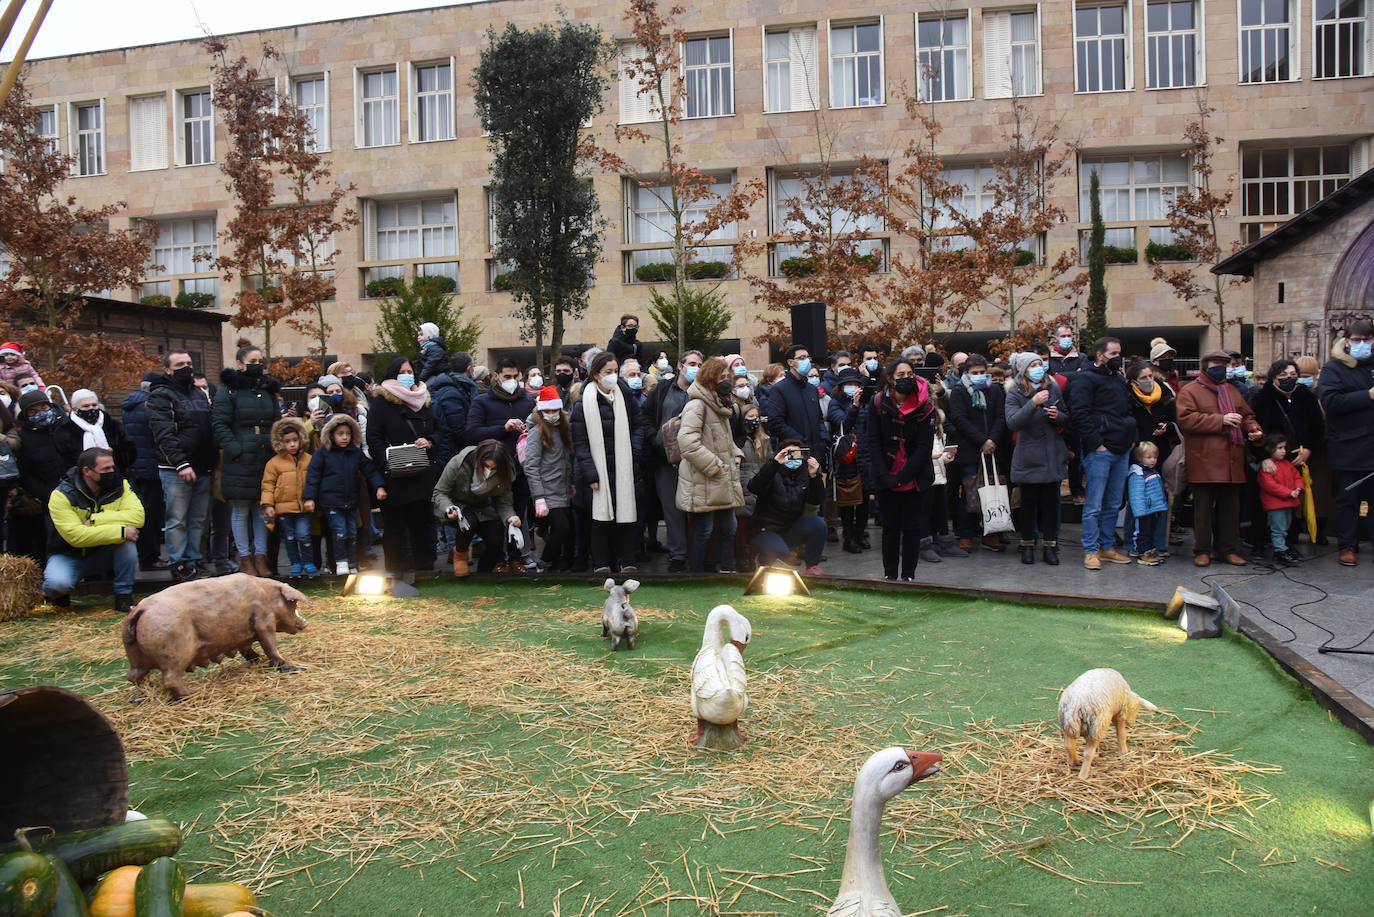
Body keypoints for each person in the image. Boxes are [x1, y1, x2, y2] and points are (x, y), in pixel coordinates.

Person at [1176, 350, 1263, 567]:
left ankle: (1228, 549)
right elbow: (1186, 420)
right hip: (1204, 459)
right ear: (1205, 365)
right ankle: (1202, 550)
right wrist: (1221, 420)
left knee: (1230, 510)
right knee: (1203, 509)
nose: (1221, 367)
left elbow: (1247, 415)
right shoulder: (1191, 391)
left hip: (1232, 459)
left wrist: (1253, 429)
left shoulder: (1232, 391)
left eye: (1226, 363)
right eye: (1216, 362)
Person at [42, 447, 144, 612]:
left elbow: (138, 517)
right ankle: (61, 595)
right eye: (105, 469)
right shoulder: (61, 495)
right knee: (56, 585)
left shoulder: (121, 485)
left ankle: (123, 595)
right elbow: (76, 537)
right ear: (87, 471)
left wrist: (95, 520)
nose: (111, 472)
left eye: (112, 467)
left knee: (127, 544)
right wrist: (120, 531)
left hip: (104, 552)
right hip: (69, 554)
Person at [571, 351, 644, 574]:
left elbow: (638, 425)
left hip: (624, 468)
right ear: (595, 375)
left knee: (626, 516)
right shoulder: (583, 403)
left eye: (614, 371)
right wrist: (590, 473)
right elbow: (580, 443)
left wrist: (634, 451)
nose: (613, 376)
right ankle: (601, 563)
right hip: (598, 472)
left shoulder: (625, 396)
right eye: (607, 372)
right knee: (600, 520)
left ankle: (627, 560)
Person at [212, 345, 282, 577]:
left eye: (261, 360)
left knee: (262, 508)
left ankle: (260, 557)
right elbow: (219, 424)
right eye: (253, 360)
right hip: (240, 457)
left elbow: (276, 421)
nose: (258, 365)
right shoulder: (228, 391)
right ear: (240, 363)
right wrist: (235, 449)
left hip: (265, 455)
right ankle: (245, 558)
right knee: (241, 509)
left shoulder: (268, 390)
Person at [864, 356, 936, 581]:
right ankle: (889, 576)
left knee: (912, 528)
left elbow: (925, 447)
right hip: (886, 475)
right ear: (889, 379)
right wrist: (884, 475)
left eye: (909, 374)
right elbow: (872, 440)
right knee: (890, 528)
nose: (906, 379)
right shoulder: (877, 402)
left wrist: (903, 476)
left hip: (914, 477)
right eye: (900, 375)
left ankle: (908, 576)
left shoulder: (925, 406)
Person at [1068, 337, 1136, 570]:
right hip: (1101, 451)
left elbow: (1127, 409)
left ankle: (1107, 547)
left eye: (1119, 352)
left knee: (1113, 503)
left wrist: (1130, 437)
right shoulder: (1084, 379)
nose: (1118, 357)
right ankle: (1091, 550)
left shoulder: (1118, 378)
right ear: (1100, 355)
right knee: (1094, 504)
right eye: (1113, 353)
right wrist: (1097, 443)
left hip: (1121, 448)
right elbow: (1079, 414)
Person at [147, 351, 215, 583]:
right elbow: (163, 434)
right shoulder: (160, 396)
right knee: (177, 519)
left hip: (203, 466)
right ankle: (179, 564)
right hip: (176, 468)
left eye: (188, 363)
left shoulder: (198, 393)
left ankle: (194, 561)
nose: (186, 367)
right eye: (179, 364)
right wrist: (181, 464)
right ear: (167, 369)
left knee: (198, 519)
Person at [366, 357, 437, 580]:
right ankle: (396, 571)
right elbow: (374, 437)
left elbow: (437, 430)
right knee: (395, 526)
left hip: (421, 474)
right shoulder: (381, 403)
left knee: (421, 524)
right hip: (395, 475)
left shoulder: (423, 400)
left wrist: (430, 441)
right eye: (401, 371)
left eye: (410, 371)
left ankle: (423, 569)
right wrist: (387, 459)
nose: (407, 375)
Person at [676, 356, 744, 573]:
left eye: (727, 376)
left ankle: (727, 569)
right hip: (706, 476)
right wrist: (714, 465)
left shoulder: (720, 403)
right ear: (710, 378)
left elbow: (725, 439)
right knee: (704, 530)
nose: (726, 380)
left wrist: (736, 453)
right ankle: (697, 573)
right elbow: (687, 442)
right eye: (721, 376)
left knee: (729, 528)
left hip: (722, 475)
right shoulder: (697, 405)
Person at [1251, 358, 1325, 550]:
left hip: (1298, 459)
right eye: (1283, 376)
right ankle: (1260, 541)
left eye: (1293, 375)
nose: (1288, 379)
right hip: (1270, 459)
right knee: (1265, 502)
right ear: (1273, 378)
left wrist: (1309, 448)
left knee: (1293, 501)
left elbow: (1318, 427)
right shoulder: (1262, 397)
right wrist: (1264, 457)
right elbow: (1253, 430)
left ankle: (1289, 542)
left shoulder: (1306, 395)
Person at [640, 349, 702, 572]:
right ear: (680, 366)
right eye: (692, 363)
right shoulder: (663, 389)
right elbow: (645, 416)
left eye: (699, 364)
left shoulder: (704, 392)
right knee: (672, 509)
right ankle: (678, 555)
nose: (696, 367)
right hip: (665, 460)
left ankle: (698, 554)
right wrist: (654, 438)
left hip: (696, 460)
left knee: (696, 509)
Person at [1005, 352, 1070, 566]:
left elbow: (1065, 416)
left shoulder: (1052, 387)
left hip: (1052, 454)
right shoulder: (1014, 392)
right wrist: (1032, 402)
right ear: (1023, 370)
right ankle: (1028, 544)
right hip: (1029, 457)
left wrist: (1056, 416)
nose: (1038, 368)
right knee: (1028, 504)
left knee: (1051, 504)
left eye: (1040, 364)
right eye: (1033, 365)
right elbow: (1013, 422)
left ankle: (1050, 546)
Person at [1318, 323, 1374, 566]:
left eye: (1368, 339)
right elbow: (1331, 401)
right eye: (1357, 339)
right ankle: (1347, 545)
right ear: (1348, 340)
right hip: (1348, 447)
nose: (1362, 344)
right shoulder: (1334, 368)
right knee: (1347, 501)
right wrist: (1369, 395)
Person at [308, 414, 386, 575]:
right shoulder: (323, 453)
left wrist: (379, 486)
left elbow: (370, 470)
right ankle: (341, 562)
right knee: (339, 532)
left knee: (351, 532)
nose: (344, 437)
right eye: (340, 434)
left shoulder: (355, 453)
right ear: (331, 434)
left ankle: (352, 562)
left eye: (348, 434)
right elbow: (313, 476)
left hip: (351, 501)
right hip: (331, 501)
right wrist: (309, 497)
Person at [433, 439, 522, 575]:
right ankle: (460, 555)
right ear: (478, 460)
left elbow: (505, 502)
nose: (489, 471)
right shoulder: (458, 463)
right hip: (457, 506)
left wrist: (511, 517)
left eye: (494, 468)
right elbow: (440, 492)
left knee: (496, 540)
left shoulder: (505, 471)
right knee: (469, 522)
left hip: (482, 508)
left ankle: (483, 574)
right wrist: (448, 508)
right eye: (486, 466)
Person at [947, 354, 1007, 552]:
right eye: (975, 373)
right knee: (970, 495)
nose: (980, 376)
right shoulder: (959, 391)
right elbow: (959, 418)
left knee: (993, 494)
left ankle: (990, 533)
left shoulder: (995, 391)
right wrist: (981, 441)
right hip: (970, 451)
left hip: (993, 450)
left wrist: (992, 440)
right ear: (967, 373)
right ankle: (966, 533)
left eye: (983, 372)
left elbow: (1000, 416)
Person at [747, 441, 826, 573]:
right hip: (764, 530)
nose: (793, 458)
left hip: (789, 529)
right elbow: (754, 487)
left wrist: (814, 477)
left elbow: (816, 500)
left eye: (797, 454)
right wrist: (774, 464)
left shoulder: (803, 476)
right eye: (789, 454)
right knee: (780, 552)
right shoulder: (772, 473)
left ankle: (812, 566)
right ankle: (764, 560)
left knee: (818, 524)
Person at [10, 389, 66, 561]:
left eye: (42, 407)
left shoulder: (68, 426)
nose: (39, 414)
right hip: (49, 498)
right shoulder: (24, 437)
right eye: (32, 411)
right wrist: (45, 493)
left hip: (79, 493)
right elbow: (24, 473)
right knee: (53, 541)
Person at [523, 386, 574, 572]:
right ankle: (544, 561)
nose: (551, 414)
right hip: (547, 490)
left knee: (562, 529)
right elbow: (531, 465)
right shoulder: (537, 432)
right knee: (562, 528)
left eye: (554, 410)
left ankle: (553, 563)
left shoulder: (563, 429)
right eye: (547, 411)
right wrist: (539, 497)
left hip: (564, 488)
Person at [120, 372, 166, 570]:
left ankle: (145, 555)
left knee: (141, 512)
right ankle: (151, 557)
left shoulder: (130, 406)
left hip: (135, 467)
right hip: (151, 468)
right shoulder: (150, 407)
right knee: (152, 515)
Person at [261, 417, 316, 579]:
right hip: (284, 508)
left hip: (303, 507)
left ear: (301, 440)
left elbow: (314, 481)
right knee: (290, 537)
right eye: (287, 441)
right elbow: (268, 485)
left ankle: (308, 561)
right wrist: (268, 504)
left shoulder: (308, 460)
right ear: (280, 443)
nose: (292, 444)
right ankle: (295, 564)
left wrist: (312, 498)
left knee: (304, 534)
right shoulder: (274, 463)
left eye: (295, 440)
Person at [827, 366, 868, 554]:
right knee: (848, 499)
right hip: (847, 457)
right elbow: (843, 424)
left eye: (855, 384)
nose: (852, 387)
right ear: (841, 387)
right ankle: (849, 538)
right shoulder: (835, 403)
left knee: (864, 499)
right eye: (848, 384)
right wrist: (855, 406)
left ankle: (861, 534)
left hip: (865, 456)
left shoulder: (865, 403)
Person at [765, 345, 828, 465]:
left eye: (807, 357)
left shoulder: (812, 389)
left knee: (815, 481)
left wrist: (823, 439)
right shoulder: (779, 389)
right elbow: (775, 423)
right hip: (794, 451)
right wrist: (799, 440)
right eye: (802, 357)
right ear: (791, 362)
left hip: (815, 451)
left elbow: (819, 418)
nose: (807, 361)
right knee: (797, 481)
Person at [55, 388, 135, 473]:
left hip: (115, 476)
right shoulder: (64, 431)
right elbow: (64, 463)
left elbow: (130, 454)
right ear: (75, 409)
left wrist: (113, 453)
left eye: (94, 405)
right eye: (86, 406)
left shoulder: (113, 426)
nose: (91, 409)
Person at [1257, 433, 1305, 567]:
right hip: (1276, 504)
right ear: (1270, 449)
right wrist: (1289, 492)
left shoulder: (1287, 464)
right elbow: (1270, 485)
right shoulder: (1268, 467)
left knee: (1285, 526)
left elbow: (1297, 477)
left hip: (1287, 502)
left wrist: (1298, 489)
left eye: (1284, 447)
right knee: (1278, 528)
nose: (1284, 451)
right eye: (1279, 448)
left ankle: (1283, 548)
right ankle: (1280, 550)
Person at [429, 351, 478, 473]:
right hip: (450, 453)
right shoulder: (452, 393)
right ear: (469, 368)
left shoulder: (458, 388)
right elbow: (458, 429)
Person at [1126, 443, 1170, 566]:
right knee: (1142, 532)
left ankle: (1149, 550)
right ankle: (1142, 552)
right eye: (1149, 457)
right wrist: (1139, 512)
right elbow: (1136, 494)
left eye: (1155, 457)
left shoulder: (1151, 471)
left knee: (1150, 530)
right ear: (1140, 457)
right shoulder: (1138, 473)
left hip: (1152, 509)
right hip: (1143, 511)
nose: (1153, 460)